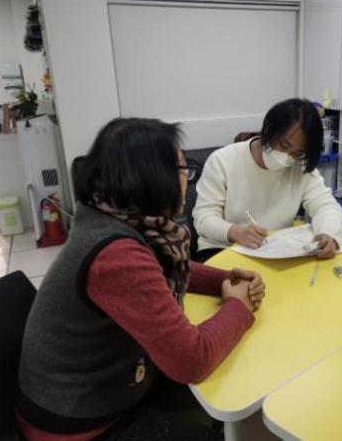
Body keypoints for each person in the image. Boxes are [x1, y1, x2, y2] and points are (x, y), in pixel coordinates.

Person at [16, 118, 266, 440]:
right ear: (153, 177)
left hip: (97, 387)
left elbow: (159, 267)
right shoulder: (116, 256)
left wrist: (222, 280)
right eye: (183, 168)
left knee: (225, 386)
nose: (187, 179)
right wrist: (237, 306)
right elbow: (191, 361)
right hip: (79, 422)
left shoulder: (108, 214)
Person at [193, 98, 342, 262]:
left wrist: (328, 234)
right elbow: (203, 217)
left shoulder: (300, 167)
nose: (287, 157)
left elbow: (326, 206)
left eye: (297, 153)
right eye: (284, 145)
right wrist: (235, 232)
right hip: (221, 249)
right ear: (268, 130)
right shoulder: (223, 161)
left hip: (273, 252)